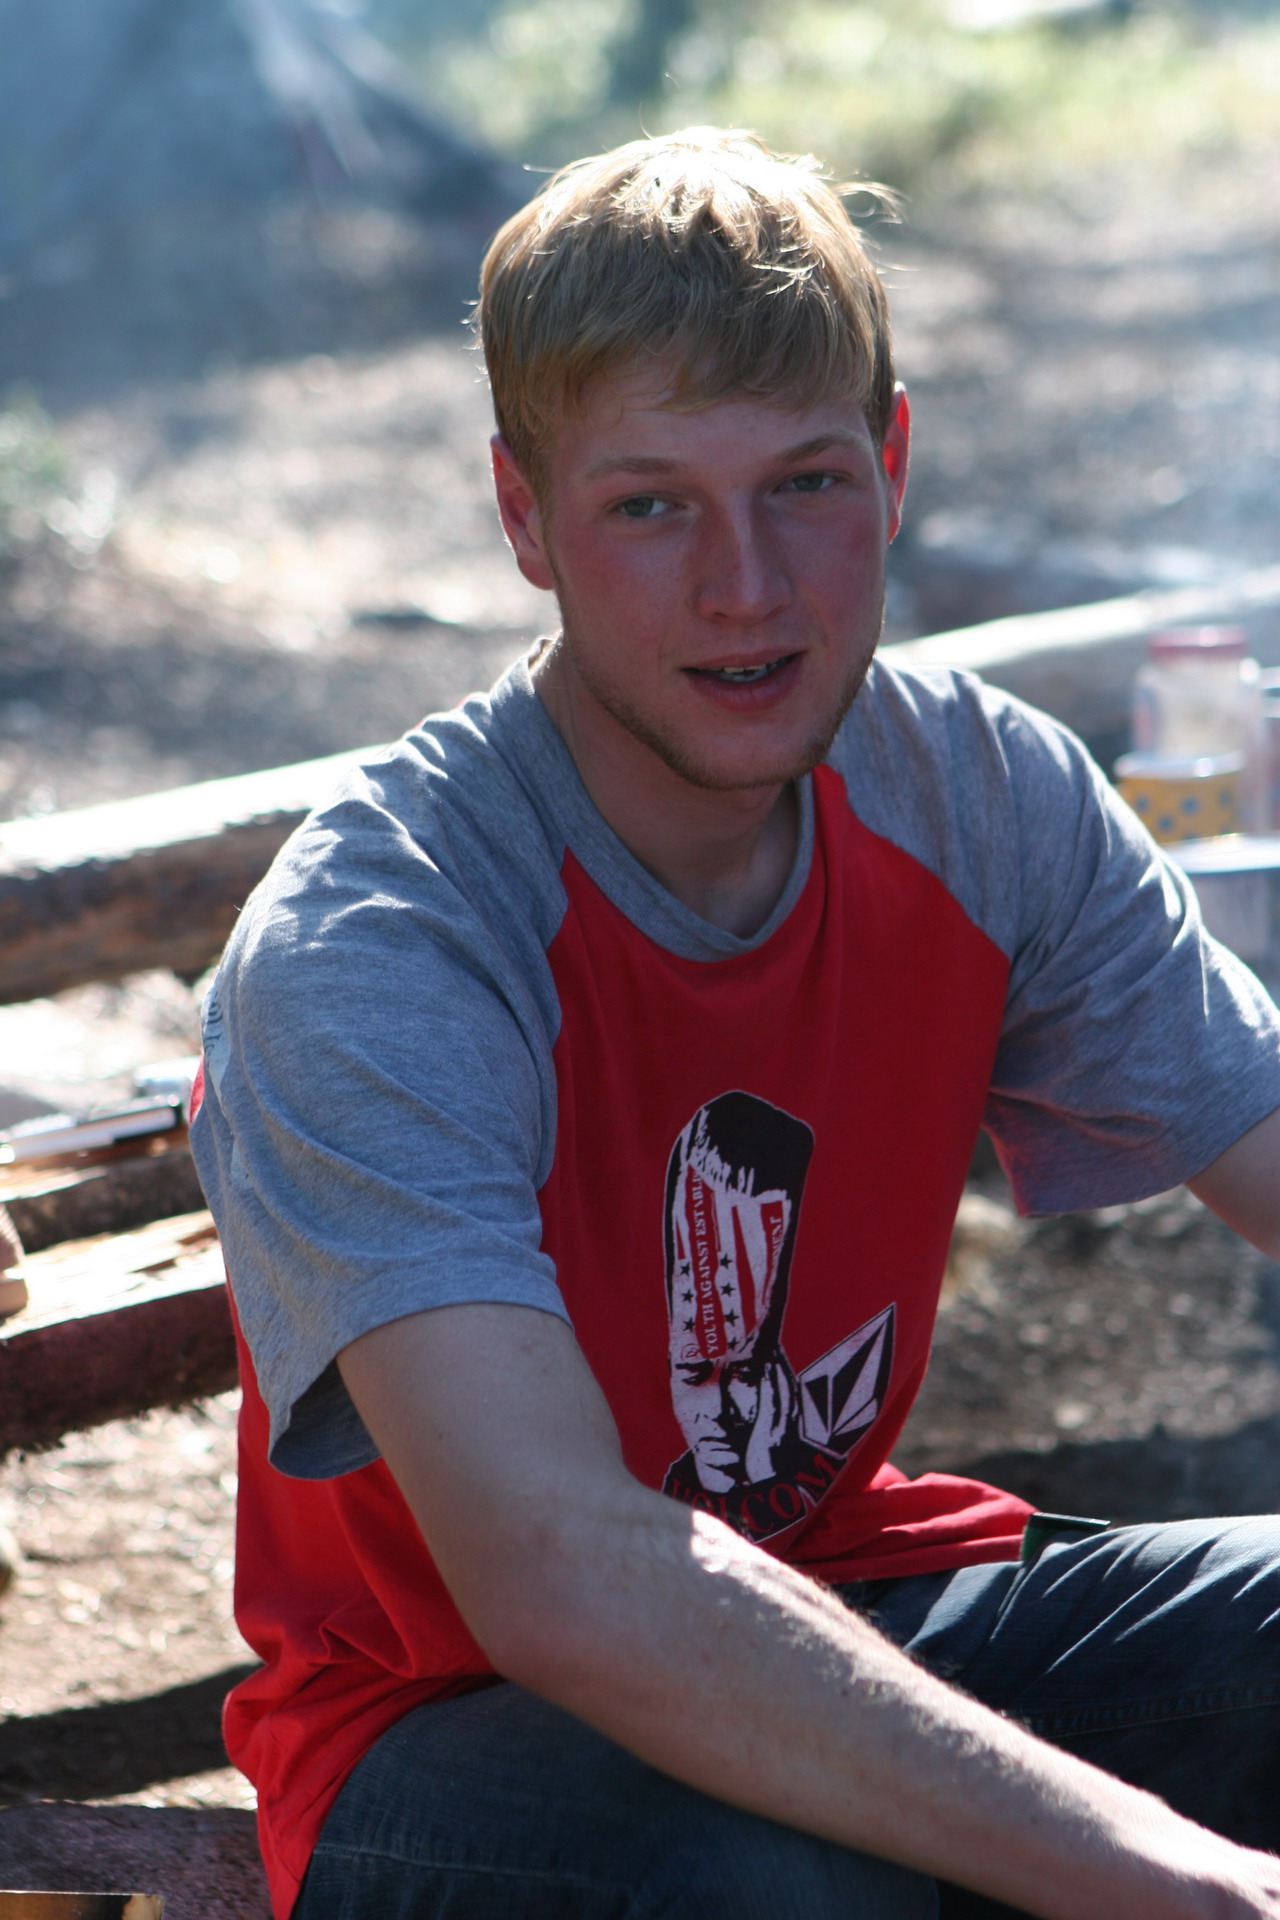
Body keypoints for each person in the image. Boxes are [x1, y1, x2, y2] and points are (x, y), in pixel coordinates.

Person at [191, 127, 1280, 1920]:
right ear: (523, 518)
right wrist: (1179, 1877)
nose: (749, 586)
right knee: (787, 1890)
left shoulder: (977, 795)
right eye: (649, 505)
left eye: (806, 483)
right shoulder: (385, 939)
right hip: (451, 1721)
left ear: (895, 467)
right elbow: (558, 1580)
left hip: (851, 1591)